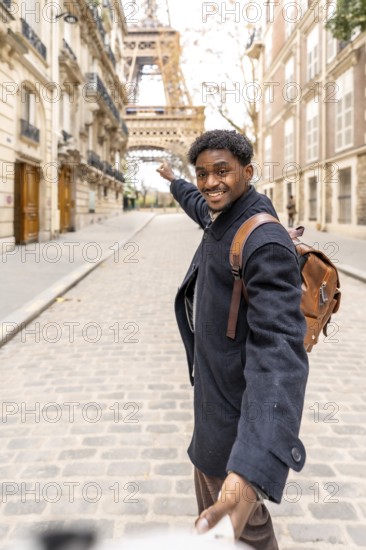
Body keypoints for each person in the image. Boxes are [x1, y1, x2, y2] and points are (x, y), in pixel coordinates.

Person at [157, 130, 309, 550]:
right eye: (202, 173)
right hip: (213, 406)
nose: (209, 183)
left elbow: (280, 355)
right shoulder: (221, 212)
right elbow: (195, 202)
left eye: (222, 171)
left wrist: (247, 471)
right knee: (218, 530)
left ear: (248, 172)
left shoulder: (263, 240)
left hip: (232, 425)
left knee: (243, 531)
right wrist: (174, 181)